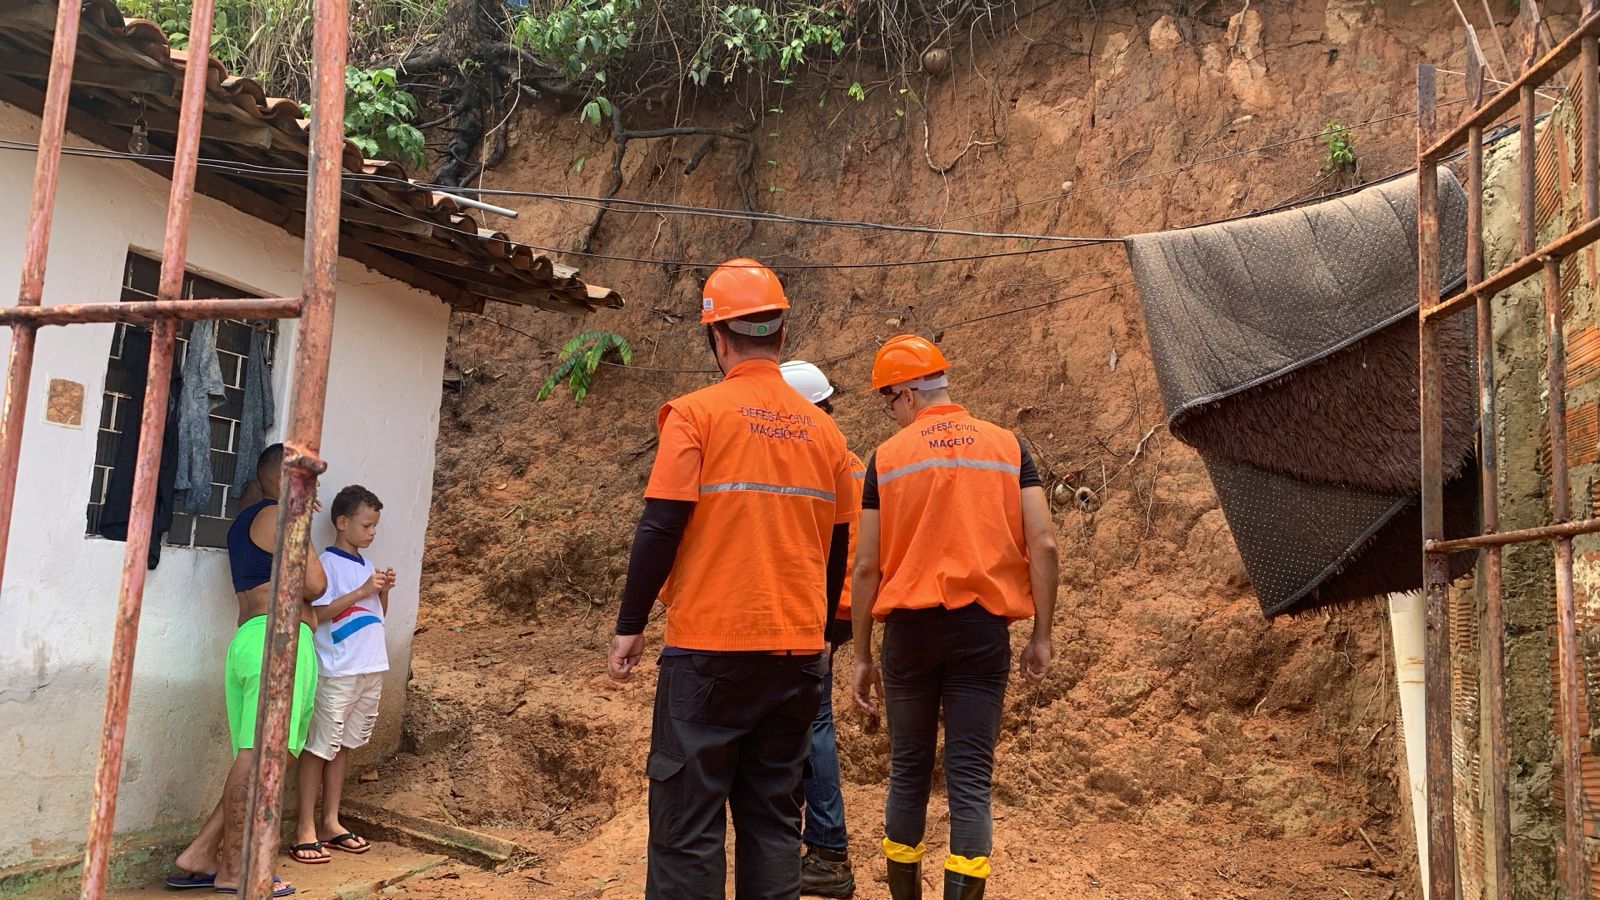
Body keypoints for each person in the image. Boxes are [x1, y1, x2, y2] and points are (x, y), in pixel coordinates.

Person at [607, 258, 859, 900]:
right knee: (774, 820)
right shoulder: (827, 433)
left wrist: (630, 625)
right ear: (779, 335)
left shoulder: (695, 415)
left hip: (710, 653)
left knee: (687, 824)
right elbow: (838, 550)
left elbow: (661, 526)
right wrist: (826, 634)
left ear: (717, 337)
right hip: (797, 656)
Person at [850, 336, 1058, 900]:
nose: (890, 414)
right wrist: (1041, 635)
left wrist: (862, 654)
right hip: (980, 632)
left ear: (909, 394)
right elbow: (1043, 546)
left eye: (888, 401)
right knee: (970, 781)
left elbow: (866, 567)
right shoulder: (1008, 447)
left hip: (909, 638)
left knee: (908, 772)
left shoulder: (887, 458)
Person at [167, 443, 327, 896]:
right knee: (261, 755)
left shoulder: (249, 518)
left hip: (257, 640)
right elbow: (315, 584)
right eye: (307, 481)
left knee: (266, 754)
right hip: (277, 641)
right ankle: (236, 870)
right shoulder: (280, 516)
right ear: (287, 480)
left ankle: (201, 851)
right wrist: (301, 519)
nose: (314, 491)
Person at [780, 359, 864, 900]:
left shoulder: (812, 462)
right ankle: (810, 842)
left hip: (823, 610)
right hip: (845, 607)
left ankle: (829, 851)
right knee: (807, 720)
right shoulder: (850, 461)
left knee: (812, 723)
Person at [292, 485, 395, 864]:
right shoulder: (326, 565)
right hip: (338, 669)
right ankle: (304, 826)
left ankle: (330, 822)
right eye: (366, 525)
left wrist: (381, 591)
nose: (372, 533)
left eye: (375, 527)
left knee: (344, 746)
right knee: (319, 746)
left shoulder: (366, 566)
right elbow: (317, 615)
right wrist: (364, 590)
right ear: (341, 522)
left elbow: (378, 616)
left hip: (369, 667)